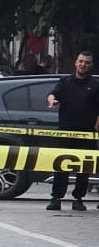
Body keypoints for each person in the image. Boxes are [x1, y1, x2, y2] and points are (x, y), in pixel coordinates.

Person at [46, 50, 99, 211]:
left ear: (91, 65)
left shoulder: (95, 85)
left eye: (87, 62)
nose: (83, 65)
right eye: (81, 61)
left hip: (87, 134)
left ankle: (78, 198)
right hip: (66, 132)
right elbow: (53, 94)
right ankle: (56, 198)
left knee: (83, 168)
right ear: (76, 62)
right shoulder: (65, 82)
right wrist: (51, 100)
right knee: (61, 165)